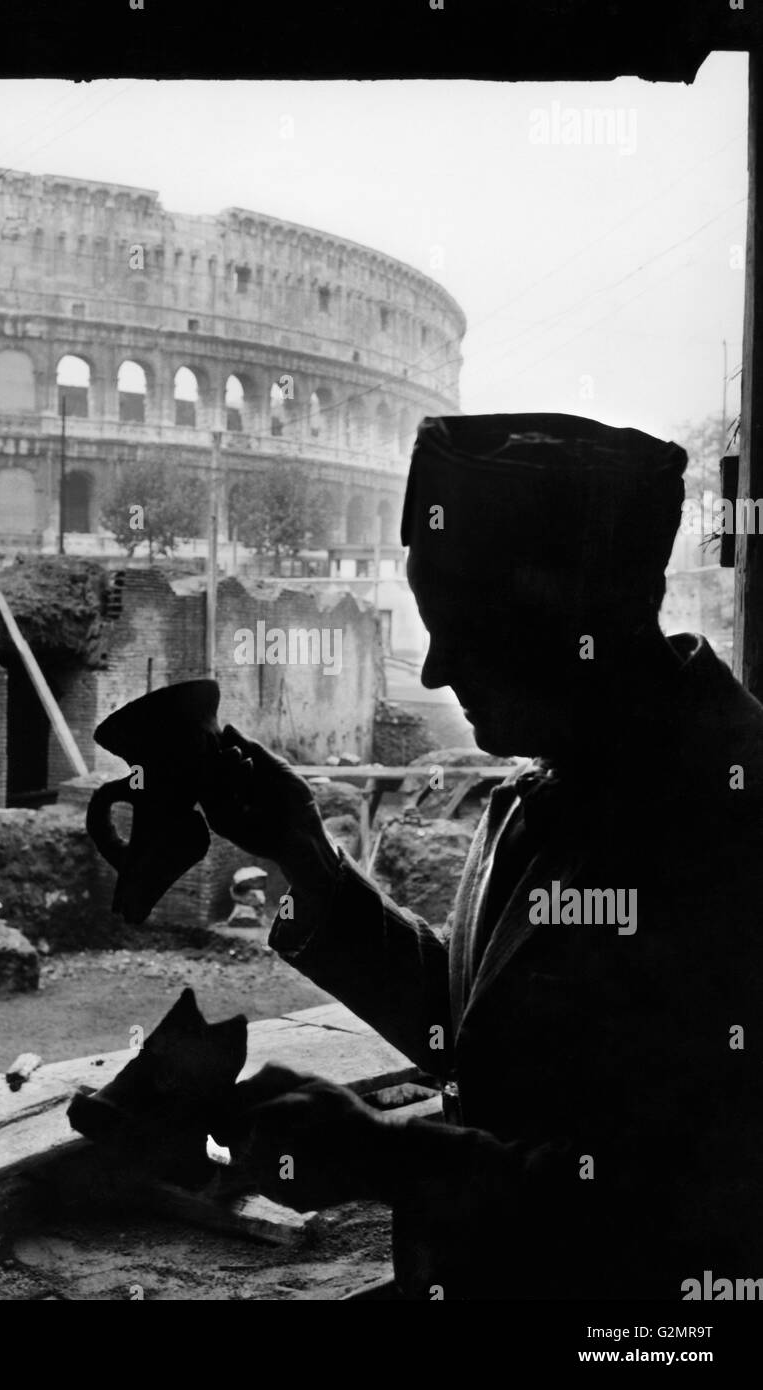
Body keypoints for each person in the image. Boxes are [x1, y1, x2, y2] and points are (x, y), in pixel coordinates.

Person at [205, 413, 763, 1300]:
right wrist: (304, 855)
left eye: (459, 626)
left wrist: (384, 1154)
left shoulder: (730, 821)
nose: (431, 671)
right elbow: (483, 1037)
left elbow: (679, 1202)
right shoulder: (570, 781)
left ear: (568, 609)